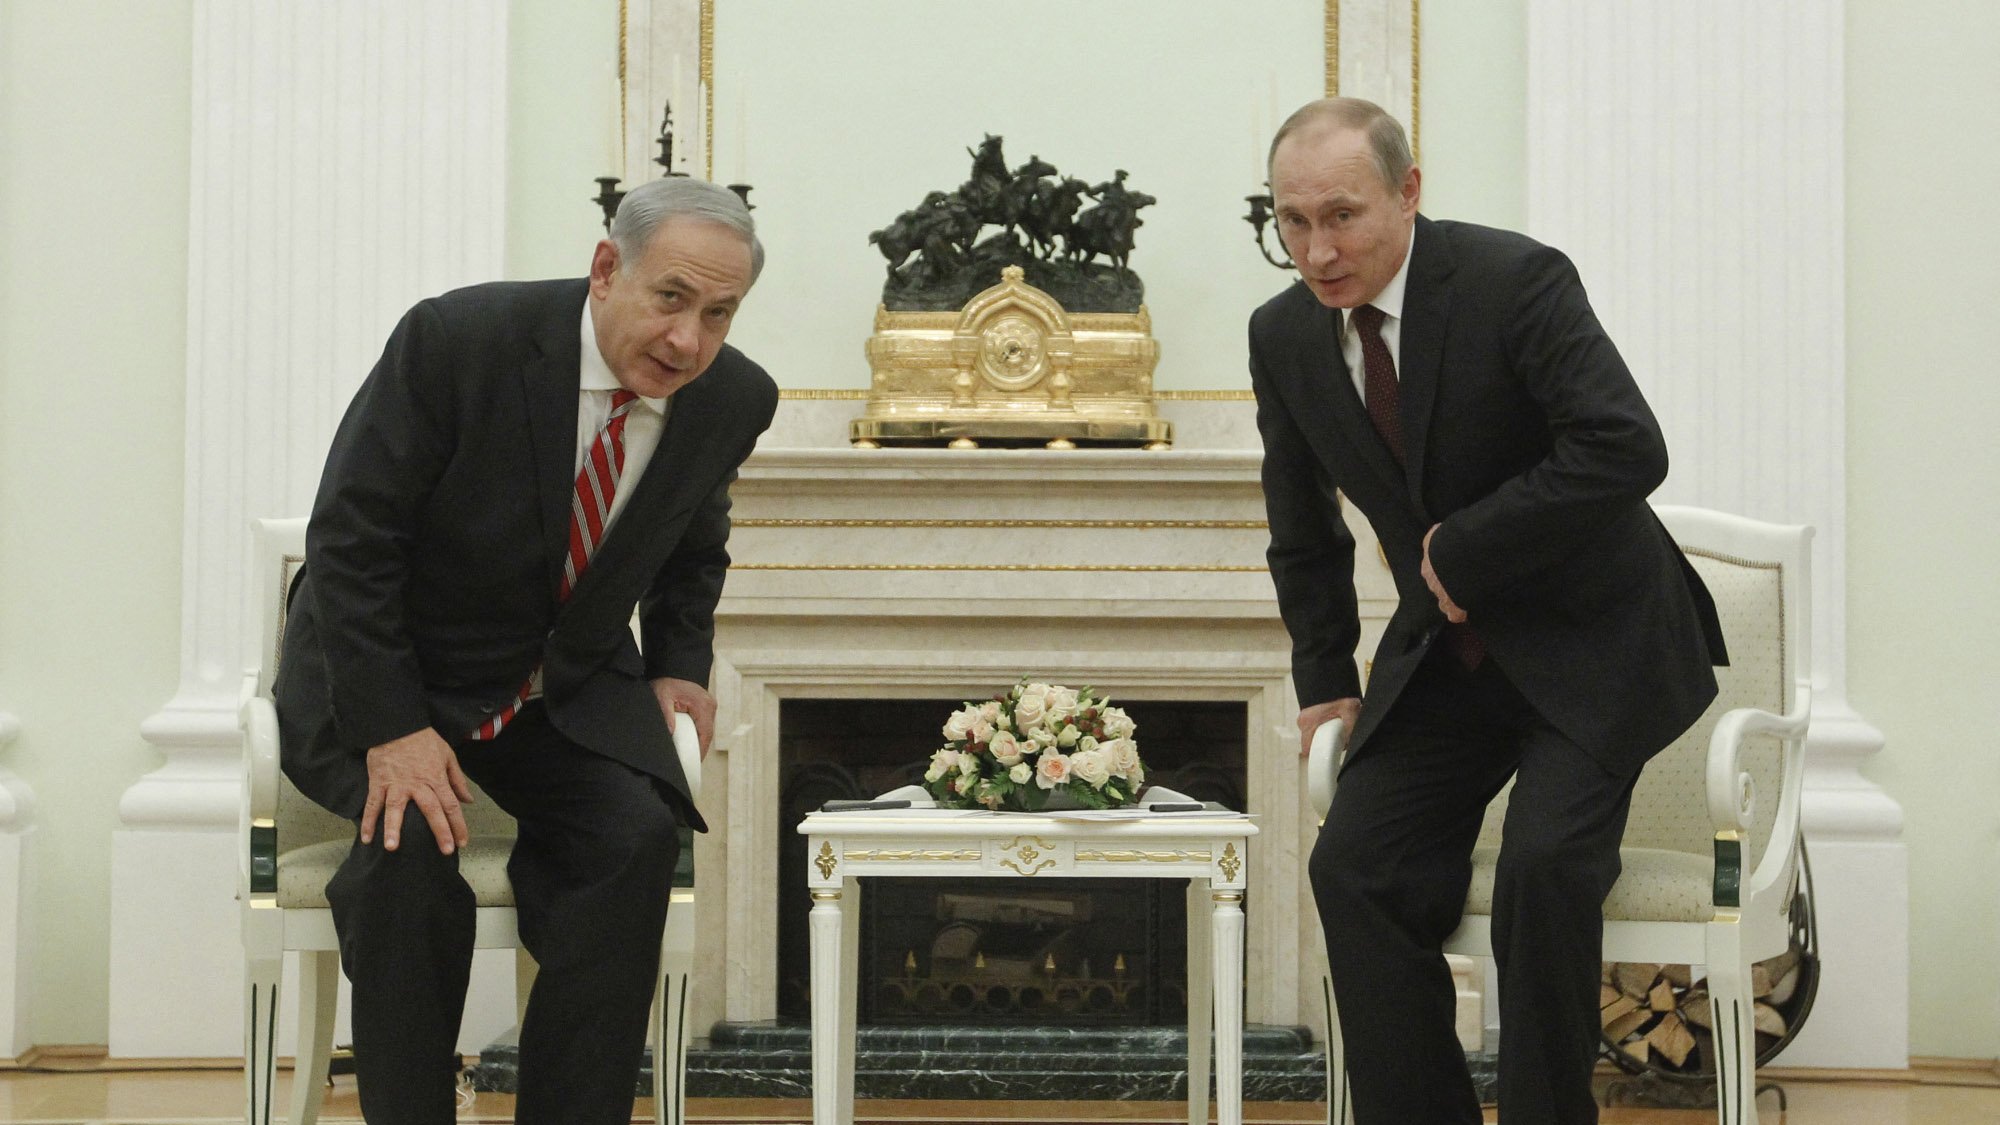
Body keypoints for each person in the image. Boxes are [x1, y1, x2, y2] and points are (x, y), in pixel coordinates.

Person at [1249, 98, 1726, 1123]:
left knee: (1544, 869)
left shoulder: (1515, 281)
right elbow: (1302, 527)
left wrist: (1465, 546)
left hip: (1592, 644)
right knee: (1355, 867)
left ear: (1409, 192)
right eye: (1289, 222)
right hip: (1448, 661)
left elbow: (1623, 446)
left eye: (1341, 215)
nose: (1315, 250)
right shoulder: (1282, 335)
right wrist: (1324, 682)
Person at [274, 176, 776, 1124]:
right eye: (670, 298)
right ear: (604, 270)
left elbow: (693, 539)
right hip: (385, 672)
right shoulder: (459, 341)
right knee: (407, 845)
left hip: (557, 690)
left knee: (631, 838)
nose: (688, 341)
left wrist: (678, 660)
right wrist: (394, 729)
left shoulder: (732, 397)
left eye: (719, 313)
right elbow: (351, 541)